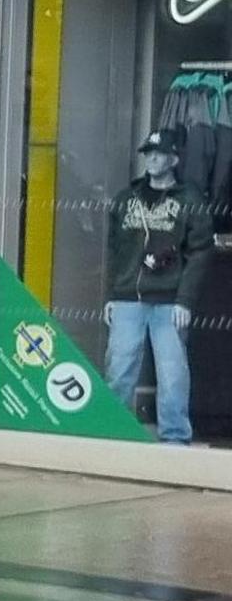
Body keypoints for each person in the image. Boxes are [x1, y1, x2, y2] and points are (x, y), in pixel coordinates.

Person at [106, 127, 210, 445]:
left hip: (169, 301)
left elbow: (200, 252)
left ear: (174, 158)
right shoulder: (127, 198)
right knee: (119, 368)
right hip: (128, 298)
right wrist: (113, 293)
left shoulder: (190, 200)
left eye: (159, 153)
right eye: (148, 153)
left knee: (172, 372)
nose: (151, 158)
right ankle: (111, 431)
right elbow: (117, 250)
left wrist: (185, 301)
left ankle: (175, 438)